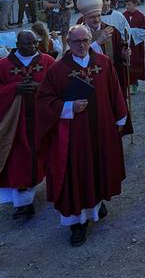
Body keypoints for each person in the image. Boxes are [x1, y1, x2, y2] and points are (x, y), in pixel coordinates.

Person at [35, 24, 128, 246]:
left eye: (86, 40)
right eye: (77, 42)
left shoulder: (103, 63)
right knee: (77, 174)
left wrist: (120, 116)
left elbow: (115, 90)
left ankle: (95, 203)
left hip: (101, 128)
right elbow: (43, 102)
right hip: (73, 136)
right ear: (68, 42)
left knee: (98, 167)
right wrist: (68, 107)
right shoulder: (57, 71)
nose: (82, 45)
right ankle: (77, 224)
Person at [0, 30, 55, 218]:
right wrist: (14, 89)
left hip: (41, 121)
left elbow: (59, 84)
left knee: (46, 156)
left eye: (35, 43)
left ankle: (50, 191)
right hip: (15, 125)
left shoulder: (47, 62)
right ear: (18, 44)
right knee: (18, 161)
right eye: (28, 44)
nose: (33, 47)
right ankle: (24, 204)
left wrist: (40, 88)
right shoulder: (2, 66)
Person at [76, 0, 133, 136]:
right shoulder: (78, 33)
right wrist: (98, 41)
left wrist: (125, 54)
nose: (96, 20)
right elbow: (75, 57)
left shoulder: (111, 30)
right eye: (92, 17)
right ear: (84, 18)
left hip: (110, 78)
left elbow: (120, 48)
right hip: (88, 80)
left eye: (99, 15)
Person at [122, 0, 145, 95]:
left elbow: (144, 30)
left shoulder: (141, 16)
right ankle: (127, 84)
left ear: (135, 4)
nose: (127, 6)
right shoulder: (123, 15)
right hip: (126, 44)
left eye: (129, 4)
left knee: (135, 62)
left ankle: (135, 84)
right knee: (126, 63)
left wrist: (132, 31)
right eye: (126, 4)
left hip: (136, 45)